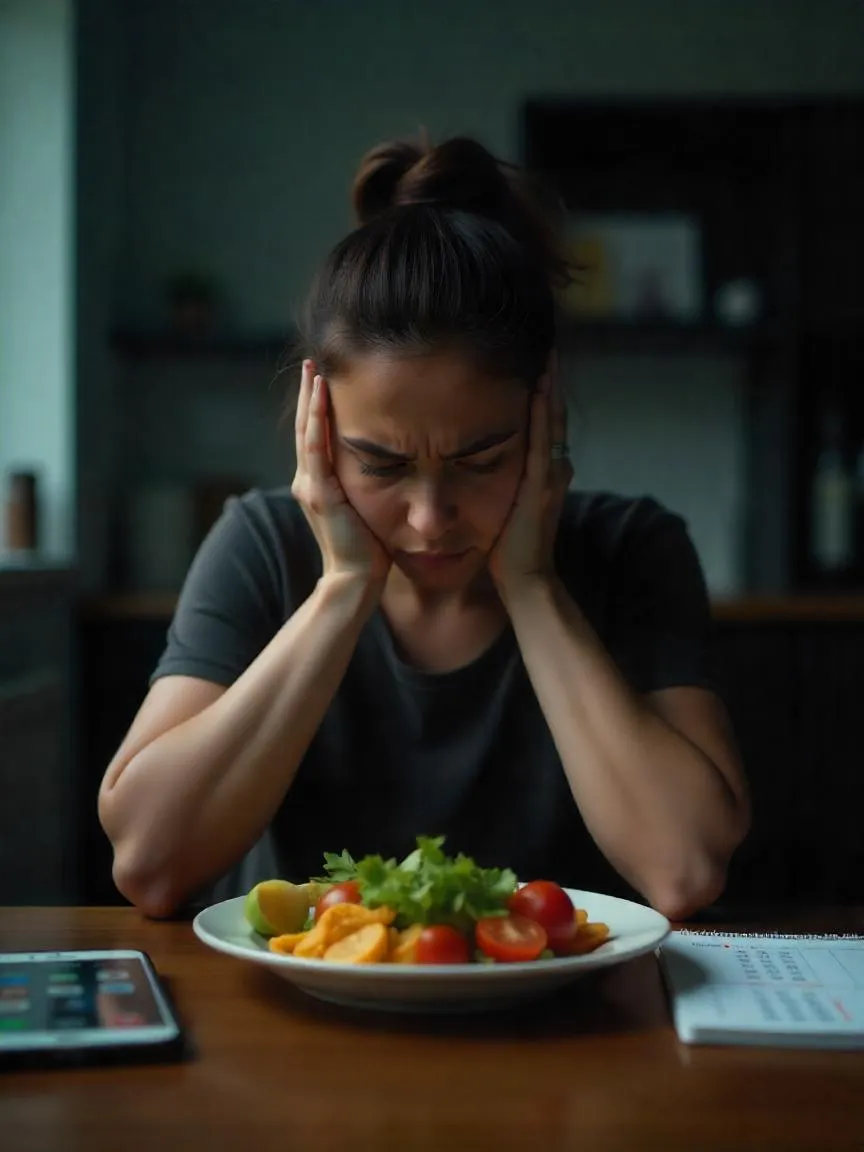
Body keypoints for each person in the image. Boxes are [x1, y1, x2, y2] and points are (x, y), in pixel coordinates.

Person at [98, 136, 750, 921]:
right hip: (305, 1024)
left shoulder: (633, 549)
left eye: (482, 459)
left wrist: (533, 585)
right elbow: (150, 863)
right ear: (320, 432)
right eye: (380, 464)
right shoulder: (261, 545)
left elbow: (684, 869)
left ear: (547, 422)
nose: (430, 517)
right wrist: (342, 590)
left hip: (564, 1027)